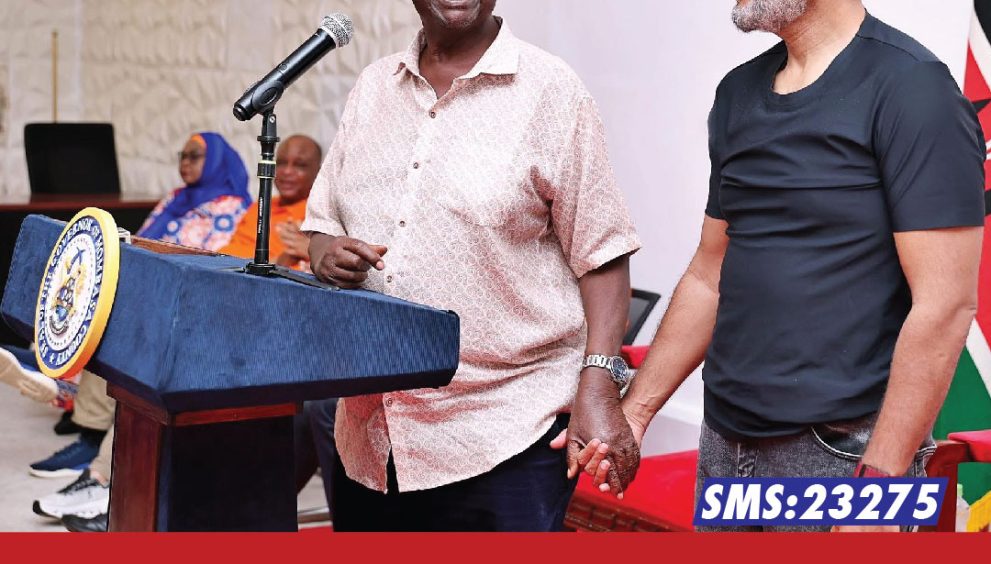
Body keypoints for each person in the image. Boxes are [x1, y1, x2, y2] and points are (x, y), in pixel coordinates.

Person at [583, 0, 985, 533]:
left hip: (843, 452)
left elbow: (946, 305)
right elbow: (709, 274)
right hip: (725, 441)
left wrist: (880, 489)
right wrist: (635, 413)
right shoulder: (737, 92)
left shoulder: (916, 89)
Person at [302, 0, 641, 532]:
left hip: (506, 430)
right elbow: (322, 223)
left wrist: (599, 384)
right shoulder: (373, 87)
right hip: (373, 431)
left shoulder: (551, 90)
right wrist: (326, 252)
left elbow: (603, 255)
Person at [219, 134, 321, 270]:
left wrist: (314, 251)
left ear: (319, 172)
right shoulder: (260, 206)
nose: (287, 171)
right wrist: (277, 261)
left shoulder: (320, 214)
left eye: (300, 165)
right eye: (281, 163)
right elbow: (228, 252)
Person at [138, 132, 251, 250]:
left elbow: (214, 257)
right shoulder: (176, 196)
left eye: (194, 156)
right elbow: (141, 239)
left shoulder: (231, 205)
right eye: (183, 156)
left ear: (215, 159)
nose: (185, 162)